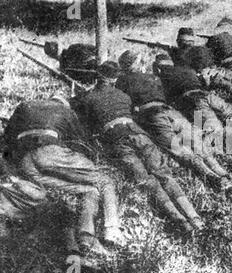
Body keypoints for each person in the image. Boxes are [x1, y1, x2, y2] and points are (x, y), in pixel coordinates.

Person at [74, 61, 204, 233]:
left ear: (98, 77)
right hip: (139, 134)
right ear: (114, 79)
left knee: (145, 180)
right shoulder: (124, 96)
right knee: (164, 174)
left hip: (117, 138)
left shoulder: (88, 98)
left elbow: (87, 125)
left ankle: (180, 221)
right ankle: (194, 217)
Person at [4, 94, 124, 255]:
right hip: (51, 153)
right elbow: (81, 144)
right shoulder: (65, 110)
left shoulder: (25, 105)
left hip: (25, 162)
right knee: (105, 181)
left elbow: (7, 137)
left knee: (89, 190)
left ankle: (86, 238)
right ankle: (113, 230)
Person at [116, 51, 232, 193]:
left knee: (179, 150)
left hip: (152, 115)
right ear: (138, 63)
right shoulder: (153, 77)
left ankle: (214, 178)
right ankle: (222, 173)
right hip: (171, 111)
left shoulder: (122, 81)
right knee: (196, 140)